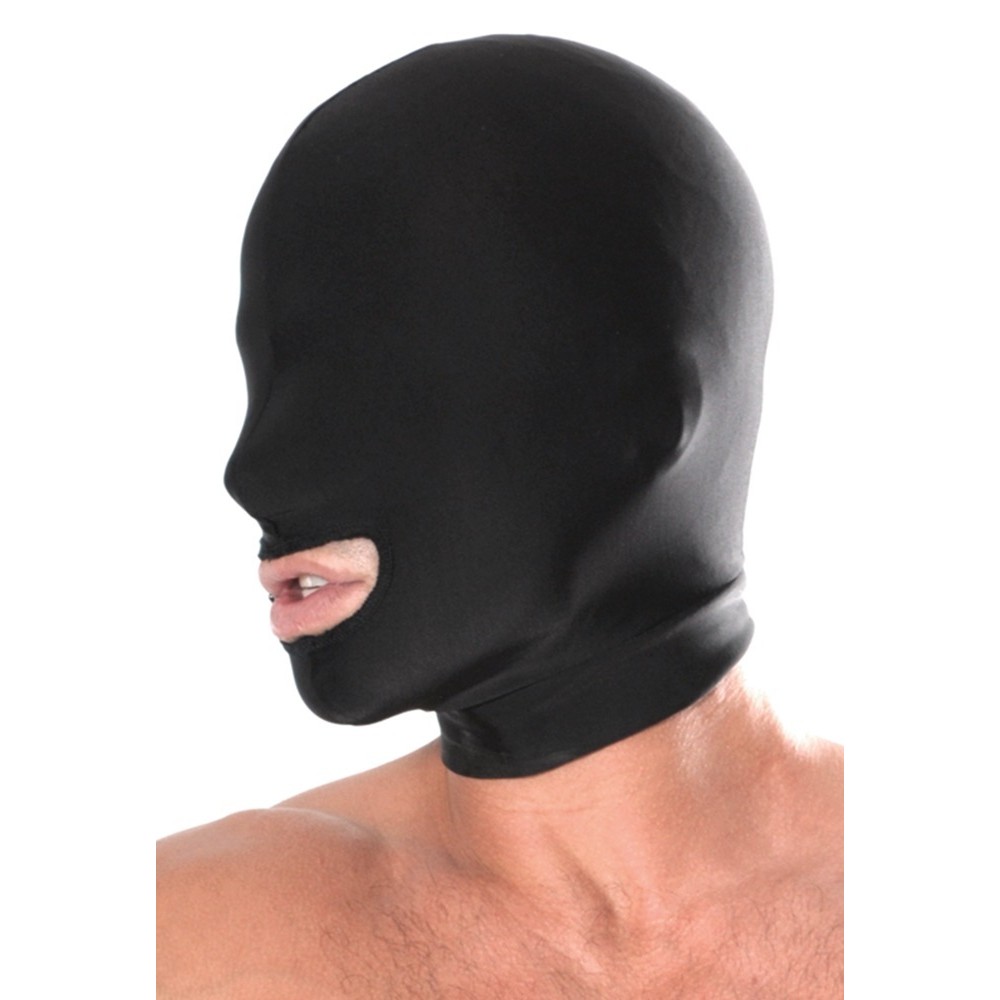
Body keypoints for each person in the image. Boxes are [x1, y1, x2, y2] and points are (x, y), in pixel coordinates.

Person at [157, 35, 843, 998]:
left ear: (638, 414)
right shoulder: (176, 942)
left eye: (354, 391)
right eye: (265, 384)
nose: (252, 473)